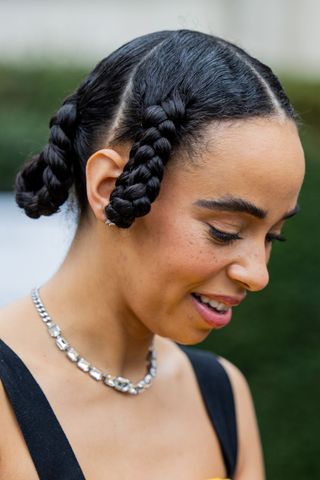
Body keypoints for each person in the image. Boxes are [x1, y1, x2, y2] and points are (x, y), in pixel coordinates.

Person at [0, 30, 305, 480]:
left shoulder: (220, 395)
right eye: (225, 231)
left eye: (271, 237)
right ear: (110, 188)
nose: (257, 275)